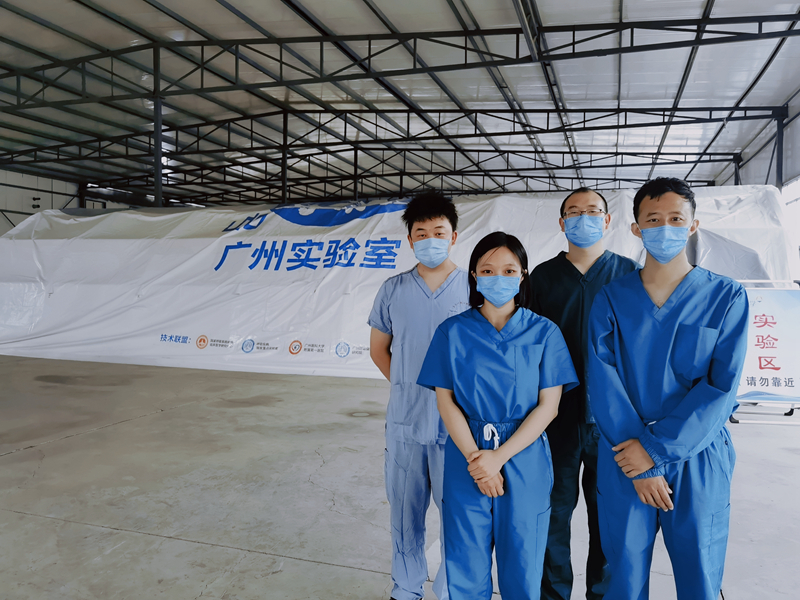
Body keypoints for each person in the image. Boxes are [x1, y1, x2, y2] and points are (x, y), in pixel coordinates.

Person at [586, 177, 748, 600]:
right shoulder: (611, 299)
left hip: (697, 453)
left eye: (676, 219)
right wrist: (640, 460)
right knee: (622, 578)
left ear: (693, 225)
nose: (665, 228)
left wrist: (655, 452)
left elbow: (721, 386)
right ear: (636, 228)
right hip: (625, 452)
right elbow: (602, 380)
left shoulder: (726, 296)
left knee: (700, 576)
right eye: (653, 219)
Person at [417, 232, 579, 600]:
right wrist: (479, 462)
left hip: (525, 455)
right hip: (467, 454)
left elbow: (549, 406)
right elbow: (446, 403)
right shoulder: (452, 332)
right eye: (488, 270)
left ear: (522, 276)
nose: (498, 278)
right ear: (474, 275)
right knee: (465, 561)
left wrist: (498, 458)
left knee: (523, 560)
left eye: (509, 270)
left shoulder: (544, 332)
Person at [530, 187, 639, 600]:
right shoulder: (541, 278)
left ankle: (603, 594)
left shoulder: (629, 274)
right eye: (574, 212)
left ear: (607, 220)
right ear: (562, 223)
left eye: (593, 211)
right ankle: (553, 594)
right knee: (553, 514)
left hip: (614, 421)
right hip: (554, 417)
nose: (584, 218)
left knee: (608, 517)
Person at [368, 191, 469, 600]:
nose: (430, 240)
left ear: (454, 236)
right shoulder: (393, 289)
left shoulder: (473, 288)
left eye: (439, 232)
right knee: (404, 516)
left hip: (458, 427)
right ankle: (405, 589)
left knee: (457, 518)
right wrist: (408, 386)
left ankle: (451, 590)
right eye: (421, 233)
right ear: (410, 240)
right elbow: (379, 349)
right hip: (405, 425)